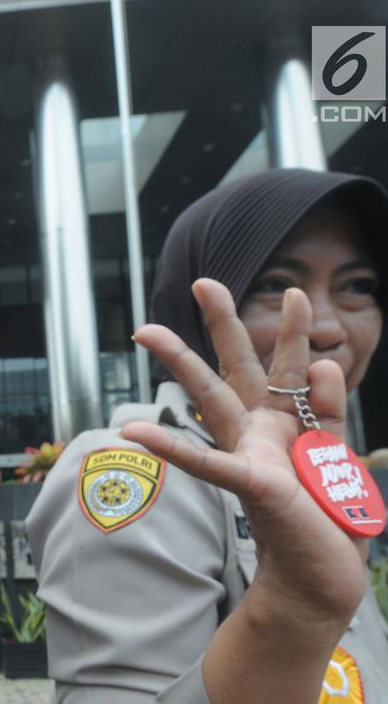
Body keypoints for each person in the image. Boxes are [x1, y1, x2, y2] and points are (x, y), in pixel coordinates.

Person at [27, 168, 388, 702]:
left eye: (357, 287)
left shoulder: (326, 472)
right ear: (195, 312)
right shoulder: (134, 462)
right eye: (275, 286)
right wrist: (289, 614)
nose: (327, 326)